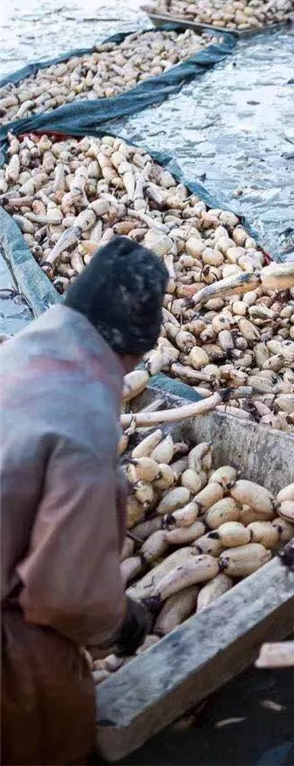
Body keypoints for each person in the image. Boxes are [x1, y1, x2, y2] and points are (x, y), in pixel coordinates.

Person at [1, 237, 168, 766]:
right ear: (135, 351)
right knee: (49, 714)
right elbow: (63, 596)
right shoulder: (83, 428)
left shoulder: (20, 350)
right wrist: (120, 624)